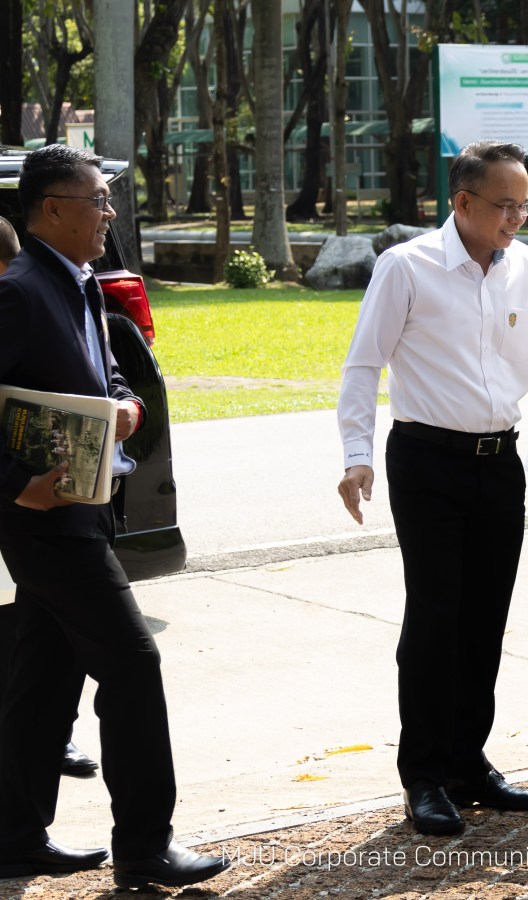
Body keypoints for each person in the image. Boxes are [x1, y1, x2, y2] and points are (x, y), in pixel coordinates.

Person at [337, 140, 528, 835]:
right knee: (435, 614)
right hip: (426, 462)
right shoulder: (406, 267)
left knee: (485, 617)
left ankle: (467, 763)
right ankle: (423, 774)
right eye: (504, 205)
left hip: (498, 462)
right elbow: (363, 365)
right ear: (463, 202)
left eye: (524, 205)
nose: (516, 218)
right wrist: (356, 455)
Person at [0, 145, 229, 889]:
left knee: (43, 676)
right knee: (133, 665)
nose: (109, 213)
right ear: (52, 209)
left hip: (90, 507)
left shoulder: (78, 280)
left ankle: (13, 836)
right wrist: (19, 486)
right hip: (48, 521)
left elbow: (109, 370)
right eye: (97, 201)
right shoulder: (20, 290)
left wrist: (126, 404)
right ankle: (144, 845)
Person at [0, 215, 100, 782]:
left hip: (40, 507)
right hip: (22, 506)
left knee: (32, 635)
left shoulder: (59, 290)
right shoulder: (20, 296)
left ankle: (50, 739)